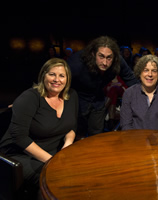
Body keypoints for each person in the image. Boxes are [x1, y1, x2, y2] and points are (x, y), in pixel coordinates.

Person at [0, 58, 78, 199]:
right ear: (43, 75)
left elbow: (72, 126)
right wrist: (52, 161)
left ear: (67, 79)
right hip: (20, 155)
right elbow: (19, 137)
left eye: (62, 75)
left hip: (53, 152)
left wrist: (67, 145)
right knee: (55, 180)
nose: (57, 79)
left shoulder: (71, 96)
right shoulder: (30, 97)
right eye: (52, 74)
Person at [67, 36, 137, 137]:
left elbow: (131, 79)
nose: (105, 62)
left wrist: (144, 97)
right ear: (93, 53)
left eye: (109, 58)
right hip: (77, 99)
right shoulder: (76, 64)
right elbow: (60, 82)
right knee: (77, 134)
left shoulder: (117, 61)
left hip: (98, 98)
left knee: (96, 135)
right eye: (101, 56)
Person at [120, 55, 158, 131]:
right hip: (135, 140)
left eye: (154, 71)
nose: (150, 74)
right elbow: (126, 126)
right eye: (146, 70)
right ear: (140, 73)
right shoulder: (129, 94)